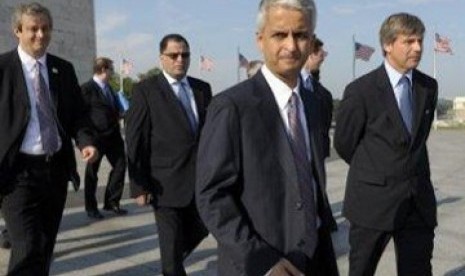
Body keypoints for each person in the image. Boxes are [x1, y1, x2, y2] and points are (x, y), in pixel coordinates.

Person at [196, 0, 339, 275]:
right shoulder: (232, 106)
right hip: (262, 262)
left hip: (317, 256)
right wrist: (261, 260)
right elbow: (212, 195)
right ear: (260, 40)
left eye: (300, 35)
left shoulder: (313, 102)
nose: (291, 45)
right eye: (279, 34)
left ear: (311, 41)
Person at [334, 13, 438, 276]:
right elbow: (345, 144)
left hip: (417, 205)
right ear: (388, 45)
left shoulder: (428, 87)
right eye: (409, 41)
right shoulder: (361, 91)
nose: (418, 47)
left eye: (420, 41)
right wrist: (378, 172)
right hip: (372, 205)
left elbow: (417, 140)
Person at [0, 2, 98, 275]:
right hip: (17, 174)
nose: (40, 35)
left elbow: (78, 115)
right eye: (33, 29)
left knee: (44, 246)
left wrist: (85, 141)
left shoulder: (62, 70)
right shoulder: (3, 68)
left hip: (54, 170)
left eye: (45, 29)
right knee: (27, 246)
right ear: (17, 31)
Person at [125, 33, 211, 276]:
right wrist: (138, 186)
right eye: (173, 55)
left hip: (199, 181)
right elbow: (135, 139)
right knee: (171, 249)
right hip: (164, 184)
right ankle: (171, 265)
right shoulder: (146, 90)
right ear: (162, 58)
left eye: (185, 55)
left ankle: (172, 259)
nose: (180, 60)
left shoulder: (202, 88)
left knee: (202, 228)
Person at [81, 57, 127, 219]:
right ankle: (91, 207)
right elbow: (81, 115)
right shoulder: (86, 89)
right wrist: (86, 139)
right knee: (92, 174)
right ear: (103, 70)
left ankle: (112, 202)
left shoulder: (110, 89)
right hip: (96, 138)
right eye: (111, 70)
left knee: (121, 165)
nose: (113, 73)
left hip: (113, 136)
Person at [301, 35, 338, 232]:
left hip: (317, 154)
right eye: (319, 53)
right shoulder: (289, 85)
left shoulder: (322, 93)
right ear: (308, 54)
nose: (323, 57)